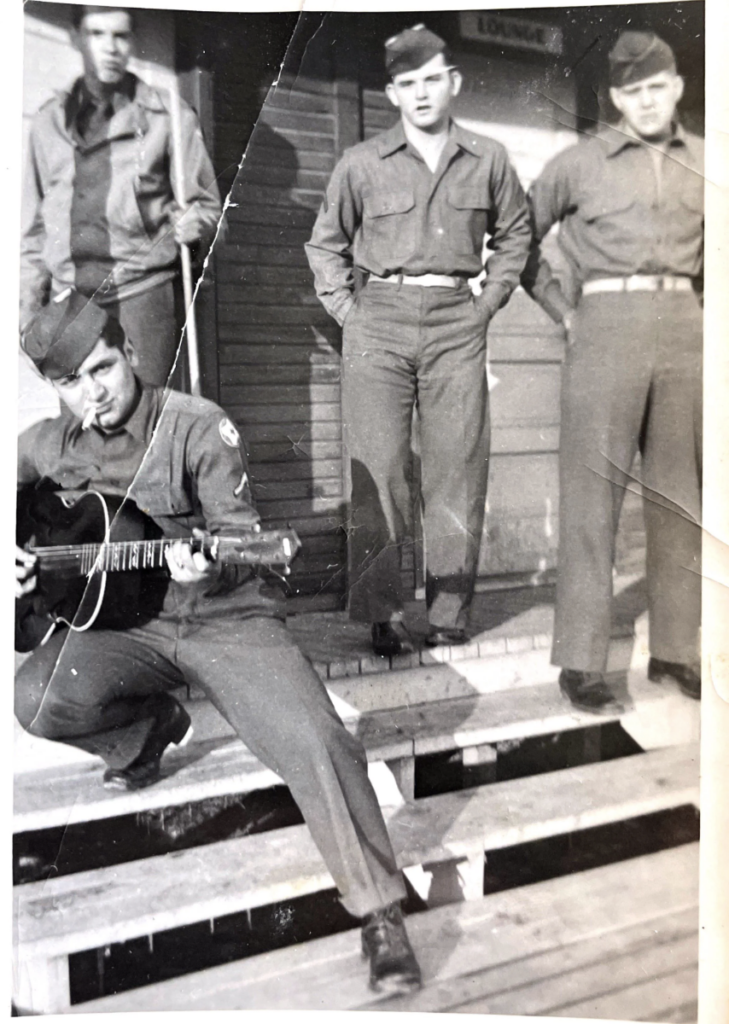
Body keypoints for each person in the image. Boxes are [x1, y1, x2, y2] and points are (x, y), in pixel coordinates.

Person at [14, 293, 422, 995]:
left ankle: (380, 912)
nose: (93, 392)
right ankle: (144, 733)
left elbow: (239, 533)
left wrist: (215, 561)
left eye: (102, 369)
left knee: (315, 737)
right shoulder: (43, 447)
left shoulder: (196, 425)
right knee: (38, 699)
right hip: (128, 630)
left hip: (222, 615)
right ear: (53, 389)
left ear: (130, 353)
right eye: (71, 382)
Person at [306, 25, 530, 657]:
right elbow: (325, 245)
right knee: (378, 470)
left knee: (457, 466)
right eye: (409, 84)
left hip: (457, 318)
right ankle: (382, 616)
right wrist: (350, 312)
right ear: (392, 93)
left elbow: (514, 236)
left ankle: (450, 611)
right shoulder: (360, 163)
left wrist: (486, 303)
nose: (422, 93)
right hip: (379, 316)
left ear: (452, 82)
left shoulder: (489, 158)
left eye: (433, 79)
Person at [521, 31, 703, 711]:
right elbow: (516, 240)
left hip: (684, 333)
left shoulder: (706, 162)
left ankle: (675, 652)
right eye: (631, 91)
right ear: (614, 97)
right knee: (591, 500)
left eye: (656, 86)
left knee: (679, 497)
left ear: (677, 87)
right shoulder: (577, 163)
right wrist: (564, 310)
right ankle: (582, 661)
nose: (646, 100)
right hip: (602, 329)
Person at [20, 6, 221, 386]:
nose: (110, 47)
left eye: (120, 36)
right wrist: (28, 317)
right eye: (98, 34)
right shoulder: (49, 123)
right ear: (76, 37)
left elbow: (210, 209)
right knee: (82, 431)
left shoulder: (168, 116)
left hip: (142, 295)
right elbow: (32, 233)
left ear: (131, 42)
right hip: (71, 301)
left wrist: (199, 225)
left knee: (142, 424)